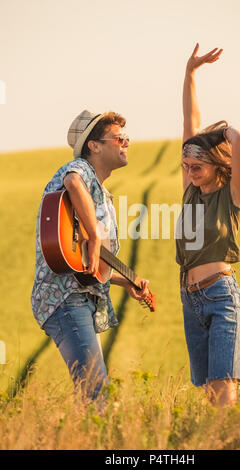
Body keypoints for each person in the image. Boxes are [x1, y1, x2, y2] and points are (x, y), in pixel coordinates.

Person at [31, 110, 149, 409]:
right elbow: (72, 181)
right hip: (65, 298)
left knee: (93, 392)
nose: (126, 143)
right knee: (95, 394)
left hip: (80, 295)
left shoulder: (102, 193)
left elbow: (85, 258)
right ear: (94, 146)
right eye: (119, 138)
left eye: (128, 139)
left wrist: (127, 281)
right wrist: (96, 234)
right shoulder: (78, 169)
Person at [176, 44, 240, 407]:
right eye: (186, 164)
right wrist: (190, 73)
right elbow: (189, 123)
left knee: (224, 396)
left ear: (217, 163)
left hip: (221, 298)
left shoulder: (232, 197)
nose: (189, 169)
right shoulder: (190, 191)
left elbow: (239, 140)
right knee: (211, 398)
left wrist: (213, 138)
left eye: (197, 164)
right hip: (191, 300)